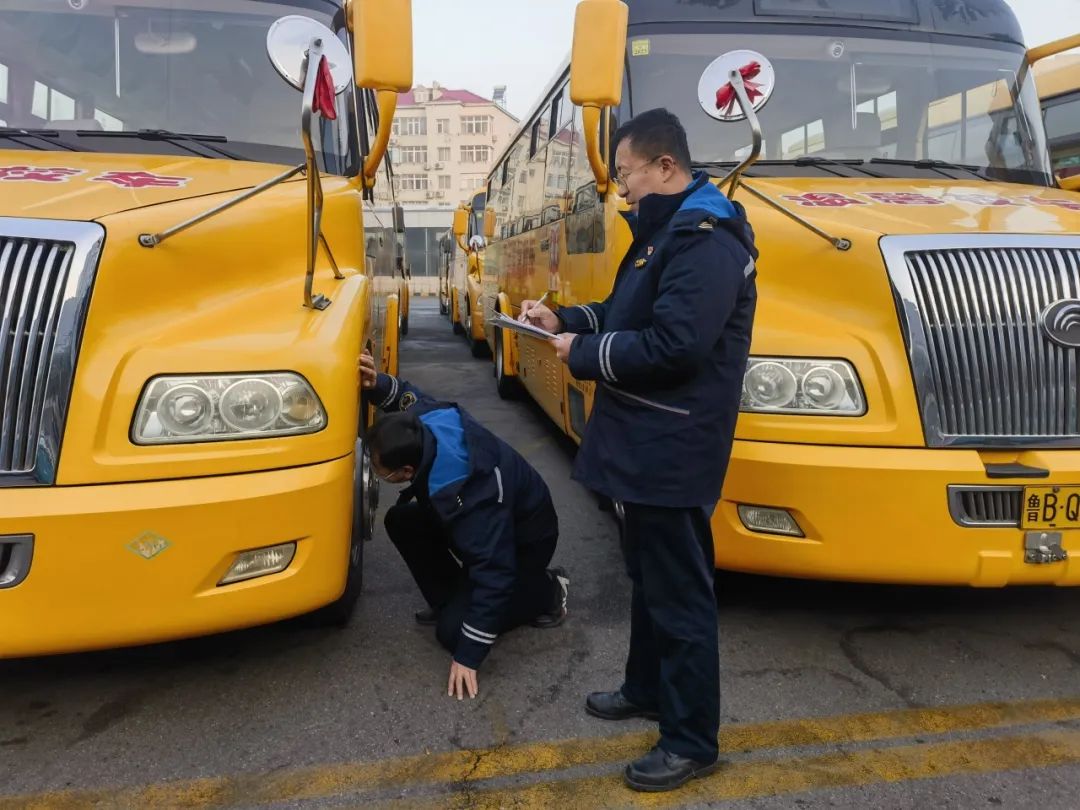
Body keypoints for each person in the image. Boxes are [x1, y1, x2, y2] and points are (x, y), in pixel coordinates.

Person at [520, 108, 758, 792]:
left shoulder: (707, 239)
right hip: (643, 441)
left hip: (671, 446)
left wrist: (585, 353)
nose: (619, 188)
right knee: (648, 578)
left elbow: (675, 345)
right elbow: (627, 311)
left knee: (678, 595)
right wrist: (563, 320)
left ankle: (690, 739)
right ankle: (645, 688)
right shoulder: (667, 233)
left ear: (665, 167)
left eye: (624, 174)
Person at [359, 353, 568, 701]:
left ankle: (548, 590)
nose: (379, 475)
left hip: (522, 545)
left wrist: (469, 656)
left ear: (407, 472)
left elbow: (496, 572)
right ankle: (452, 601)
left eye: (383, 472)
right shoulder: (424, 420)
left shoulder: (474, 494)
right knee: (402, 520)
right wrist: (377, 383)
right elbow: (408, 395)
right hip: (492, 531)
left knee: (453, 634)